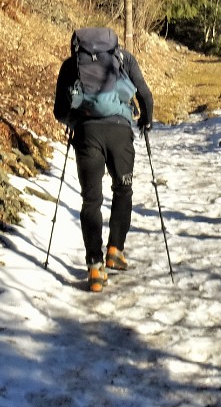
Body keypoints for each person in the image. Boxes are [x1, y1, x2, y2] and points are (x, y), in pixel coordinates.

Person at [53, 27, 154, 292]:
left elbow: (60, 111)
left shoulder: (72, 64)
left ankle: (95, 268)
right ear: (112, 44)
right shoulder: (124, 59)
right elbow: (144, 94)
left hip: (87, 134)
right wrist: (145, 121)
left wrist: (76, 121)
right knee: (123, 189)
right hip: (120, 132)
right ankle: (115, 250)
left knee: (91, 200)